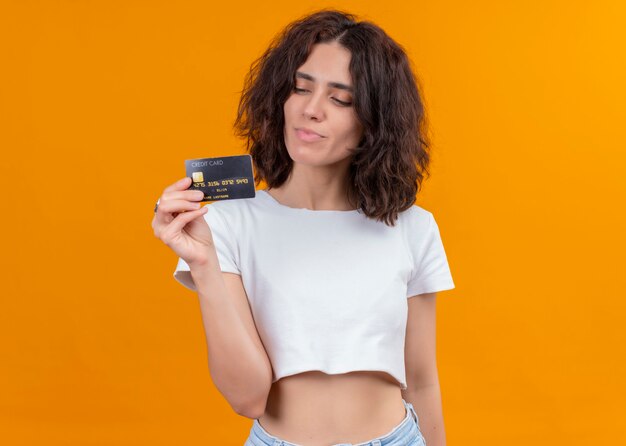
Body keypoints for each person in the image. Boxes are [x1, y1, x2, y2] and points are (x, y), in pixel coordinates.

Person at [152, 8, 455, 446]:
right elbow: (247, 397)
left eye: (340, 99)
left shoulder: (412, 227)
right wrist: (202, 263)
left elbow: (422, 381)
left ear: (375, 120)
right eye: (300, 88)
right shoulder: (230, 223)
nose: (311, 110)